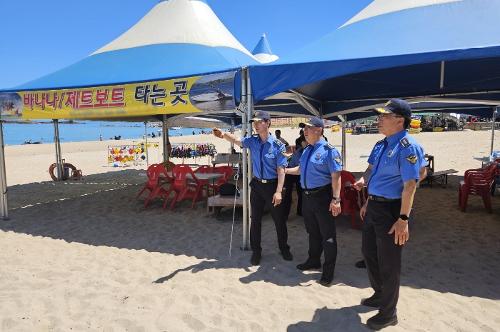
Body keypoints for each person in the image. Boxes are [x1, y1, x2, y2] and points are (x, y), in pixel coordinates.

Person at [352, 99, 425, 330]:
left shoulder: (407, 147)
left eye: (385, 116)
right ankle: (380, 294)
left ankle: (388, 313)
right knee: (369, 253)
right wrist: (365, 183)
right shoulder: (381, 144)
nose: (379, 119)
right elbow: (371, 169)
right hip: (374, 205)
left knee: (389, 263)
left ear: (399, 120)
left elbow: (411, 184)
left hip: (393, 210)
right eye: (380, 116)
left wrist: (403, 219)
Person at [212, 111, 292, 265]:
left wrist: (278, 191)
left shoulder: (278, 145)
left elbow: (281, 170)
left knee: (279, 220)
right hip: (256, 186)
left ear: (267, 123)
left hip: (273, 186)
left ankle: (284, 248)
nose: (255, 124)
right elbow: (237, 141)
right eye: (254, 122)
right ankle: (257, 251)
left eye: (259, 121)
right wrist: (223, 134)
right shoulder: (253, 141)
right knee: (255, 220)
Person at [285, 117, 342, 286]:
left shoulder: (330, 151)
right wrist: (285, 170)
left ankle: (328, 271)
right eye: (304, 129)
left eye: (307, 128)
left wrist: (336, 199)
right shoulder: (307, 150)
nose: (304, 131)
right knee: (312, 232)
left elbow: (336, 176)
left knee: (328, 235)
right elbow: (301, 169)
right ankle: (313, 260)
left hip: (323, 196)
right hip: (307, 197)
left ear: (318, 130)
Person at [283, 136, 307, 218]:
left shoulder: (300, 151)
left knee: (299, 193)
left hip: (294, 173)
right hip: (291, 173)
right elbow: (300, 168)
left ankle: (299, 211)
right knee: (289, 195)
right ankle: (285, 214)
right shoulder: (300, 153)